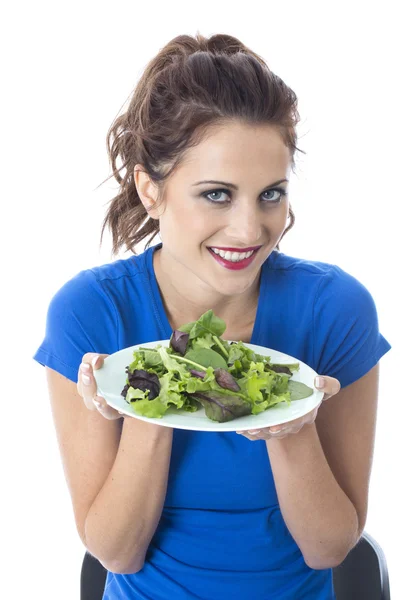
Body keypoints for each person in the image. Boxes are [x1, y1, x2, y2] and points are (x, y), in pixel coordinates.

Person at [33, 33, 391, 600]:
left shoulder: (334, 309)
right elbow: (117, 552)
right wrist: (146, 390)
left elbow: (329, 550)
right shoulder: (92, 314)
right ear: (151, 190)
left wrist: (292, 423)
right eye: (217, 195)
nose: (251, 230)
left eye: (270, 194)